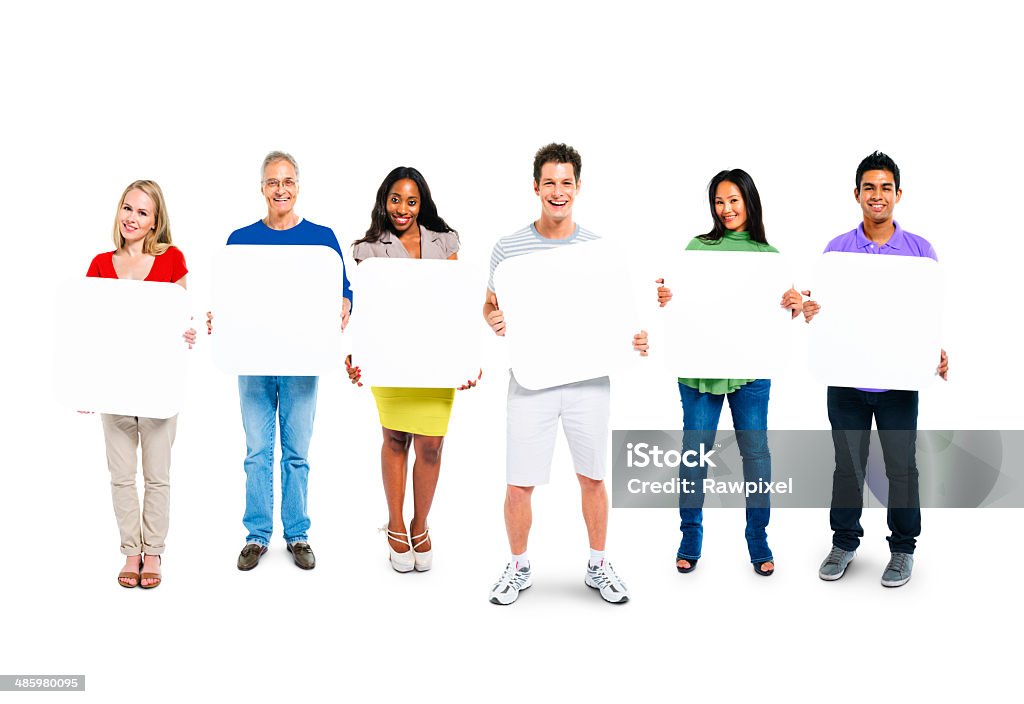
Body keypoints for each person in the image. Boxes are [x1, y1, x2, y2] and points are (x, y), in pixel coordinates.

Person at [635, 169, 804, 577]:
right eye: (718, 201)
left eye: (733, 200)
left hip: (751, 371)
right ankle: (690, 538)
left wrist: (796, 301)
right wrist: (665, 297)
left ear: (749, 201)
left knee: (756, 456)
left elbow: (785, 313)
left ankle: (758, 539)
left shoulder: (769, 257)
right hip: (699, 371)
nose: (726, 209)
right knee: (695, 456)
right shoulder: (697, 247)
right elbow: (678, 306)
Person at [484, 143, 629, 605]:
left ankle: (598, 565)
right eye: (550, 182)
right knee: (519, 482)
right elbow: (490, 304)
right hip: (531, 380)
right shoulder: (507, 248)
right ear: (536, 187)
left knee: (592, 478)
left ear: (578, 187)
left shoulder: (597, 249)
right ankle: (519, 567)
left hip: (588, 380)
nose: (558, 191)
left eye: (566, 182)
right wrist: (493, 318)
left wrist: (635, 336)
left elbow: (617, 313)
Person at [803, 151, 948, 588]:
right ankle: (845, 541)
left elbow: (925, 315)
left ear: (898, 194)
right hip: (846, 379)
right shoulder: (836, 251)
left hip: (899, 379)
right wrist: (811, 311)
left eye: (886, 187)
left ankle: (903, 549)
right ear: (857, 194)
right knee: (848, 465)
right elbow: (826, 314)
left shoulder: (920, 252)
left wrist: (936, 352)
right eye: (870, 187)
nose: (877, 195)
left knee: (902, 466)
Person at [208, 151, 353, 571]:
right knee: (256, 451)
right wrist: (222, 316)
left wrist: (346, 303)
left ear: (298, 186)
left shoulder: (322, 239)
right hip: (252, 360)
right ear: (262, 188)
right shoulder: (240, 240)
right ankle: (256, 535)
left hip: (302, 359)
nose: (281, 189)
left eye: (287, 181)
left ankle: (297, 534)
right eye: (273, 182)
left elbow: (342, 289)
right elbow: (230, 296)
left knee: (296, 452)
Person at [345, 166, 478, 573]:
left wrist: (468, 357)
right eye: (396, 199)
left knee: (432, 446)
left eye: (412, 201)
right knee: (396, 439)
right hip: (390, 358)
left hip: (436, 357)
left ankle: (421, 523)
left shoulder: (445, 242)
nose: (403, 209)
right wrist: (356, 356)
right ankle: (396, 525)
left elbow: (456, 305)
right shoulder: (369, 248)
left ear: (423, 204)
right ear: (385, 201)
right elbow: (364, 310)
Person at [86, 179, 196, 589]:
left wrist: (187, 333)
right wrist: (83, 383)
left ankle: (154, 552)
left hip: (158, 383)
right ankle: (131, 552)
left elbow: (181, 317)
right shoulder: (99, 264)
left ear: (155, 222)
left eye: (142, 212)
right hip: (114, 384)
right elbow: (89, 328)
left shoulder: (172, 260)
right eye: (127, 208)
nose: (132, 217)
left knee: (156, 474)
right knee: (120, 474)